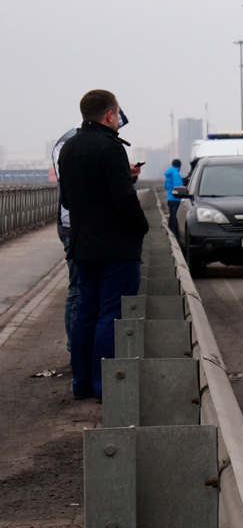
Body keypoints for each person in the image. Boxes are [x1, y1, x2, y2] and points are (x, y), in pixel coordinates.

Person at [57, 90, 148, 401]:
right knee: (111, 315)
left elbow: (67, 200)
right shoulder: (110, 148)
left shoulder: (68, 149)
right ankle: (105, 387)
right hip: (115, 248)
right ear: (110, 115)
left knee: (86, 312)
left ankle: (82, 384)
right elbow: (123, 200)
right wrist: (141, 227)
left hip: (83, 245)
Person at [51, 126, 80, 353]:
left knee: (79, 288)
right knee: (78, 288)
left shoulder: (67, 143)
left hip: (73, 225)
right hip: (73, 226)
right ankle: (74, 348)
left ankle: (76, 347)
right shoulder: (69, 145)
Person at [164, 158, 185, 229]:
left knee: (171, 216)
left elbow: (166, 186)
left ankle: (170, 230)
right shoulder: (176, 174)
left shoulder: (168, 174)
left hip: (169, 198)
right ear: (179, 166)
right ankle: (174, 232)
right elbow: (177, 186)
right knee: (176, 216)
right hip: (176, 198)